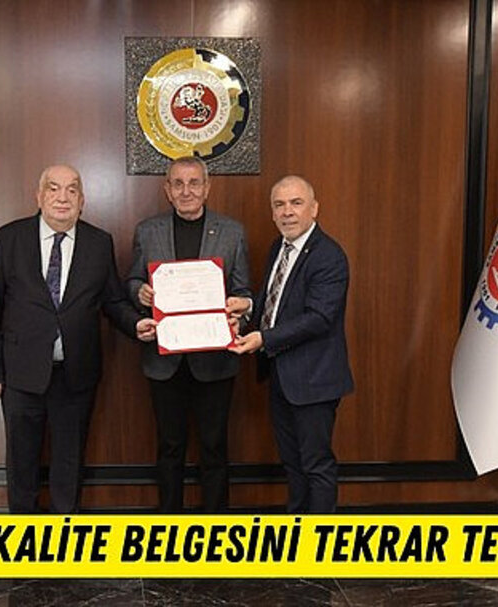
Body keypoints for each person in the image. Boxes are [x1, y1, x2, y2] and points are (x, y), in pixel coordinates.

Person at [0, 164, 157, 513]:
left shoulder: (98, 242)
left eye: (72, 190)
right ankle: (23, 535)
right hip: (20, 374)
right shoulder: (9, 238)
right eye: (54, 188)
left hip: (76, 375)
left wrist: (136, 325)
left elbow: (113, 301)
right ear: (39, 196)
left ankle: (64, 535)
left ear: (82, 201)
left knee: (69, 464)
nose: (63, 197)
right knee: (21, 464)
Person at [126, 156, 251, 513]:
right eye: (178, 183)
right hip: (165, 361)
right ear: (167, 190)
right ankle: (170, 526)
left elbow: (244, 292)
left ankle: (215, 528)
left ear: (207, 188)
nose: (186, 191)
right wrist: (139, 292)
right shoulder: (147, 231)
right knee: (169, 448)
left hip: (215, 360)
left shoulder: (232, 232)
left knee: (214, 447)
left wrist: (240, 316)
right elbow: (132, 279)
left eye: (194, 183)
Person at [230, 175, 353, 514]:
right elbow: (277, 300)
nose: (287, 212)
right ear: (272, 212)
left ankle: (318, 544)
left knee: (316, 465)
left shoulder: (328, 256)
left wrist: (263, 338)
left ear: (314, 208)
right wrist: (249, 306)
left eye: (296, 203)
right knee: (293, 464)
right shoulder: (280, 247)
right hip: (282, 376)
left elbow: (318, 317)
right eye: (279, 205)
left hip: (314, 381)